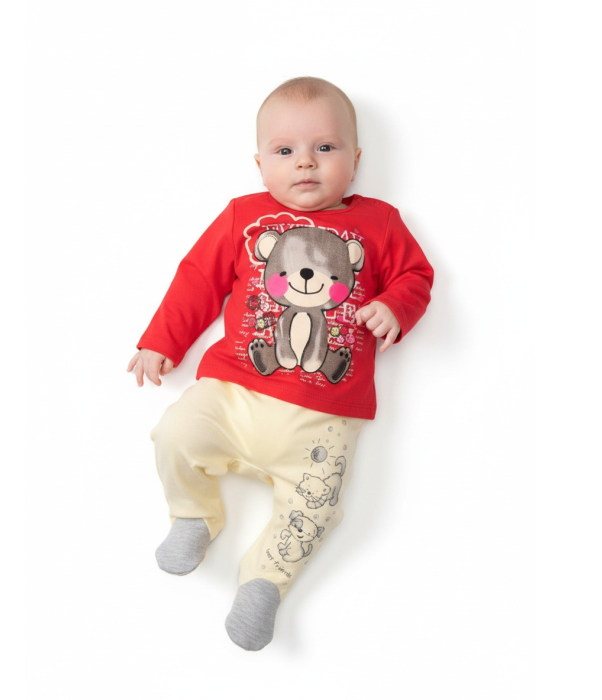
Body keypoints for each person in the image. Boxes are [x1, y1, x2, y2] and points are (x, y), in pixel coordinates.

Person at [127, 77, 434, 651]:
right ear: (260, 165)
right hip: (233, 393)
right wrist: (162, 339)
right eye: (285, 150)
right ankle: (192, 515)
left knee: (317, 507)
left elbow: (417, 276)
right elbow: (197, 279)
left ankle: (264, 581)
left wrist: (396, 305)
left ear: (356, 160)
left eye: (325, 147)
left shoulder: (381, 223)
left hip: (323, 417)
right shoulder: (244, 217)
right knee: (175, 432)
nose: (305, 162)